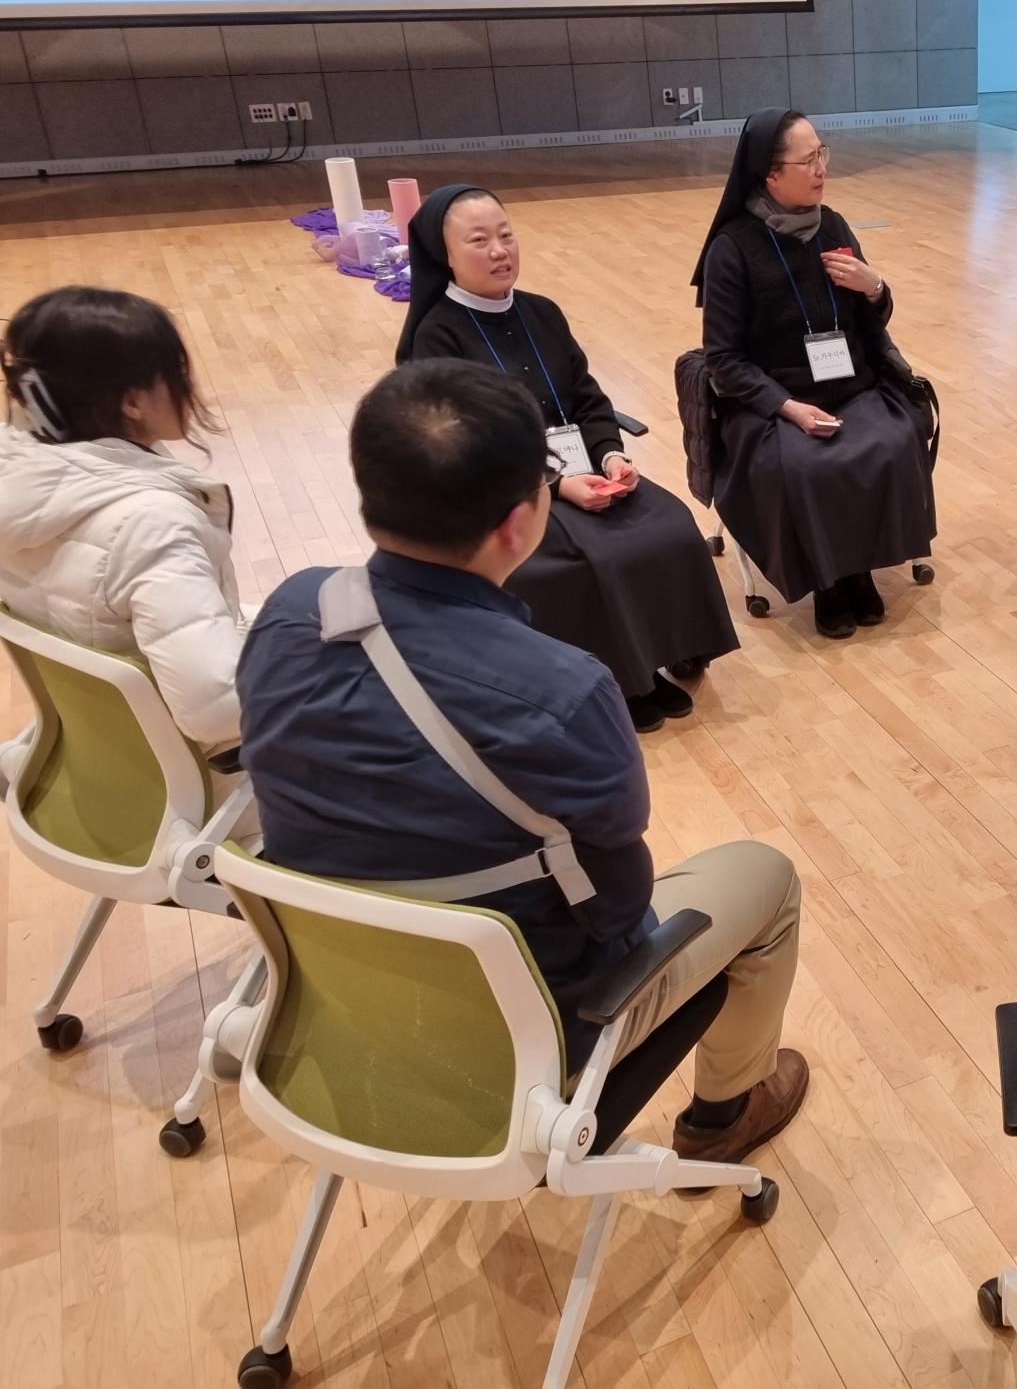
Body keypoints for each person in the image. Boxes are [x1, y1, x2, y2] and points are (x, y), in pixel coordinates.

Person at [238, 359, 809, 1164]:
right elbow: (619, 882)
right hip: (539, 1021)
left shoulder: (291, 612)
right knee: (766, 877)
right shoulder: (562, 690)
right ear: (519, 520)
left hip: (347, 990)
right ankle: (727, 1115)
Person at [401, 184, 738, 732]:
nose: (499, 251)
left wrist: (609, 454)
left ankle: (668, 649)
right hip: (506, 495)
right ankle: (621, 681)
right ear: (446, 255)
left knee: (671, 525)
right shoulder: (436, 336)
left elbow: (587, 397)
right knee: (583, 560)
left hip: (585, 471)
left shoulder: (541, 312)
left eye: (506, 235)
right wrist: (556, 486)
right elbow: (467, 442)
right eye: (479, 241)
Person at [693, 108, 937, 639]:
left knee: (894, 440)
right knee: (809, 464)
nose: (822, 168)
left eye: (822, 153)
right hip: (773, 401)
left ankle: (859, 566)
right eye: (808, 160)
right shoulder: (732, 249)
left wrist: (875, 288)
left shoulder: (834, 226)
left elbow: (870, 324)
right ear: (770, 174)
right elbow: (723, 360)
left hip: (853, 385)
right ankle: (829, 580)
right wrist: (789, 408)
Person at [0, 285, 245, 748]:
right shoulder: (152, 525)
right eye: (177, 373)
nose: (189, 386)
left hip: (90, 740)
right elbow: (217, 712)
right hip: (192, 759)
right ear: (132, 402)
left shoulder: (16, 473)